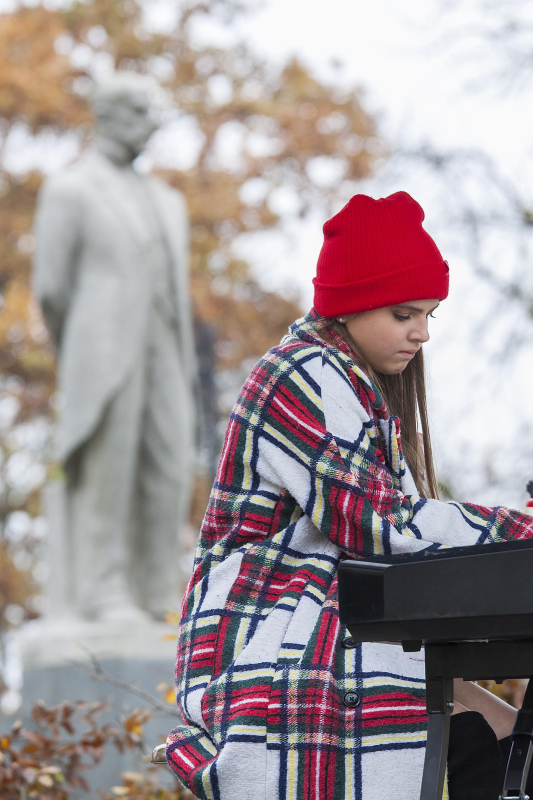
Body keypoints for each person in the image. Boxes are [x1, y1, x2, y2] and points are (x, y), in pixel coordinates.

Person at [165, 192, 533, 799]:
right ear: (351, 305)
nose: (421, 332)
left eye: (429, 314)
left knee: (512, 748)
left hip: (345, 625)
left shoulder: (355, 387)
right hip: (276, 641)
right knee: (488, 754)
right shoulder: (302, 378)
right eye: (403, 313)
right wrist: (517, 530)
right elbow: (384, 526)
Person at [32, 73, 197, 622]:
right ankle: (103, 592)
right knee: (108, 471)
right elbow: (51, 289)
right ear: (106, 115)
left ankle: (156, 593)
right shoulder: (70, 189)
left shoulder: (168, 201)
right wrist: (81, 346)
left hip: (165, 350)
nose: (148, 122)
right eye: (137, 110)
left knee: (171, 467)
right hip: (101, 352)